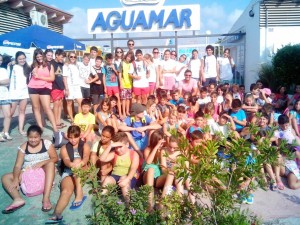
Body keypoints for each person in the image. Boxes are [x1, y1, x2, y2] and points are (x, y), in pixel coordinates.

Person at [1, 125, 58, 214]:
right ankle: (17, 199)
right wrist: (16, 179)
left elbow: (55, 158)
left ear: (40, 136)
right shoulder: (23, 147)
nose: (33, 140)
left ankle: (46, 198)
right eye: (30, 137)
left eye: (36, 137)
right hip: (28, 171)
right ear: (27, 136)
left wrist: (42, 163)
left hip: (44, 170)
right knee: (5, 177)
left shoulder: (46, 144)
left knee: (50, 163)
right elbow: (17, 166)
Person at [47, 125, 90, 223]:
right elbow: (66, 160)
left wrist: (79, 164)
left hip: (83, 169)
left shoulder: (85, 145)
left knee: (78, 159)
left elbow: (86, 158)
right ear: (67, 137)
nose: (73, 140)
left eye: (75, 137)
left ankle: (79, 194)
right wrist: (72, 165)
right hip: (69, 170)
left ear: (80, 136)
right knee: (66, 191)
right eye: (71, 137)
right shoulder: (64, 148)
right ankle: (57, 213)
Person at [100, 132, 140, 202]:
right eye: (116, 147)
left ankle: (129, 205)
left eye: (120, 147)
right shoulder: (115, 153)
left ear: (127, 144)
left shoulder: (134, 154)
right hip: (115, 177)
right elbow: (102, 159)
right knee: (107, 180)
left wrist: (127, 179)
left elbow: (133, 168)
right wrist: (110, 146)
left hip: (128, 178)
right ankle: (101, 203)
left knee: (123, 178)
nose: (118, 150)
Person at [28, 48, 58, 132]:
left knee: (47, 108)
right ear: (35, 57)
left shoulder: (49, 65)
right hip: (33, 87)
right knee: (36, 108)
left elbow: (52, 78)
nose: (39, 58)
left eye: (41, 56)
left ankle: (55, 128)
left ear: (43, 56)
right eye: (37, 57)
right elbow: (31, 75)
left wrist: (39, 77)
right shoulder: (33, 65)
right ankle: (40, 127)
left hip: (45, 88)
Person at [142, 131, 167, 210]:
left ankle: (162, 202)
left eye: (162, 143)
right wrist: (156, 147)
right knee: (151, 169)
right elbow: (148, 161)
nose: (161, 145)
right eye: (160, 143)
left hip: (157, 177)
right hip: (147, 174)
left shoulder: (162, 151)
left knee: (170, 175)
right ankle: (149, 202)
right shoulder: (148, 149)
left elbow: (163, 166)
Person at [9, 51, 31, 136]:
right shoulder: (12, 66)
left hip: (24, 92)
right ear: (16, 59)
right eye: (20, 59)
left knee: (22, 111)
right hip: (13, 93)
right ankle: (5, 129)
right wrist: (11, 62)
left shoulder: (27, 67)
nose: (22, 60)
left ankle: (21, 129)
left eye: (23, 58)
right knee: (10, 112)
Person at [63, 52, 83, 123]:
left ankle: (79, 118)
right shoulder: (65, 66)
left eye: (74, 57)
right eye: (71, 57)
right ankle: (72, 120)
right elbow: (64, 78)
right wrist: (66, 89)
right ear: (68, 57)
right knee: (69, 103)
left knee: (80, 103)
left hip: (77, 86)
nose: (73, 58)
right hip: (69, 87)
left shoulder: (77, 65)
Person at [51, 49, 68, 129]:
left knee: (60, 105)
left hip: (61, 87)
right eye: (61, 57)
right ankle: (55, 122)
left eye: (63, 57)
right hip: (54, 87)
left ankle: (58, 120)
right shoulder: (51, 63)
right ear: (56, 55)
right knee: (56, 105)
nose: (62, 59)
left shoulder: (62, 64)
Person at [104, 53, 122, 117]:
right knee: (110, 100)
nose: (110, 61)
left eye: (111, 60)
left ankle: (120, 113)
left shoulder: (115, 65)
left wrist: (114, 68)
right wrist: (105, 86)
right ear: (106, 60)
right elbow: (104, 76)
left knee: (118, 99)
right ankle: (110, 112)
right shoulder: (105, 66)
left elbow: (118, 74)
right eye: (108, 60)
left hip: (115, 84)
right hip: (108, 84)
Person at [119, 51, 134, 117]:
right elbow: (119, 74)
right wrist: (121, 84)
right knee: (123, 99)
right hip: (123, 84)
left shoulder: (131, 64)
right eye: (128, 57)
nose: (129, 58)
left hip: (129, 84)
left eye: (130, 57)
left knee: (128, 99)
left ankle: (127, 111)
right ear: (126, 56)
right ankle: (124, 112)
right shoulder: (122, 63)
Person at [0, 66, 12, 141]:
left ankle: (6, 133)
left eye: (0, 60)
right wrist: (2, 82)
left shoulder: (3, 70)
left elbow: (8, 81)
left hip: (5, 95)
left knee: (8, 115)